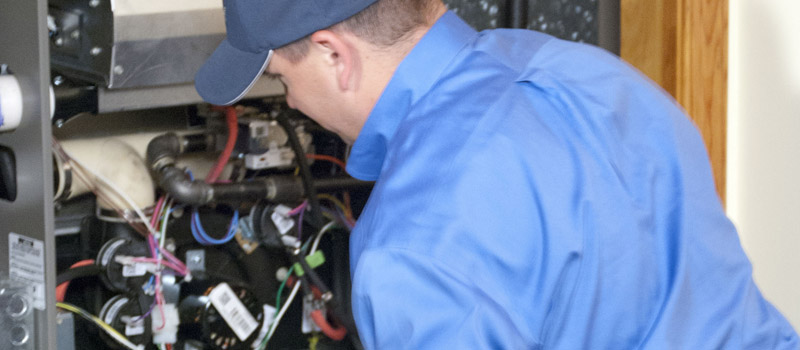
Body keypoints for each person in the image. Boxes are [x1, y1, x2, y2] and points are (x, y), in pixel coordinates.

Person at [196, 0, 799, 348]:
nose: (291, 101)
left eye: (281, 77)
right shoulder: (601, 79)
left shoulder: (412, 252)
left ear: (335, 55)